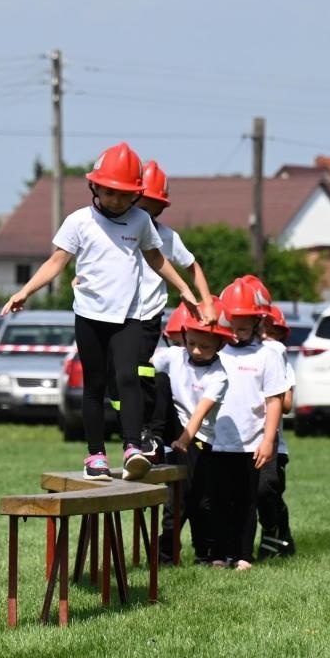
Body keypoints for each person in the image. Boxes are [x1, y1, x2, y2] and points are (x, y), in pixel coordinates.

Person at [1, 142, 200, 481]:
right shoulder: (79, 222)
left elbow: (156, 258)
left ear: (136, 196)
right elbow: (56, 263)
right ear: (95, 186)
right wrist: (25, 292)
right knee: (94, 386)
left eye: (124, 195)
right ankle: (95, 455)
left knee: (128, 379)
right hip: (90, 316)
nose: (116, 201)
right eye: (110, 193)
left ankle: (133, 448)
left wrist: (184, 289)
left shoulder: (139, 221)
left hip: (128, 316)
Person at [133, 160, 215, 462]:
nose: (148, 212)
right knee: (118, 379)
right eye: (144, 203)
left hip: (148, 315)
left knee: (142, 370)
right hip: (117, 315)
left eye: (155, 206)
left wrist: (206, 302)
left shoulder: (167, 237)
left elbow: (192, 265)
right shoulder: (120, 231)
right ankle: (135, 434)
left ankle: (149, 435)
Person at [207, 278, 286, 569]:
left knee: (245, 503)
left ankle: (243, 555)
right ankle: (218, 553)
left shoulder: (268, 355)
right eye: (233, 325)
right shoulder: (215, 353)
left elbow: (274, 400)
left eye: (243, 327)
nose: (237, 333)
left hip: (251, 444)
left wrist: (267, 440)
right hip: (217, 442)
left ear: (257, 324)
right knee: (217, 501)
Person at [151, 312, 231, 564]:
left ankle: (200, 552)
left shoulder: (219, 375)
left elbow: (199, 414)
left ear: (221, 344)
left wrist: (184, 441)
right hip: (171, 429)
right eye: (191, 343)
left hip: (197, 439)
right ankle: (166, 555)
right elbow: (145, 365)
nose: (196, 351)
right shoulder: (174, 356)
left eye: (205, 346)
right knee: (158, 378)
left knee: (193, 497)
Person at [256, 302, 296, 559]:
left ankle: (276, 531)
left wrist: (271, 386)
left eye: (273, 333)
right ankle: (280, 538)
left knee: (268, 491)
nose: (266, 337)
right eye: (262, 331)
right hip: (244, 441)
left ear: (281, 336)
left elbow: (288, 405)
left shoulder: (279, 359)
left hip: (274, 445)